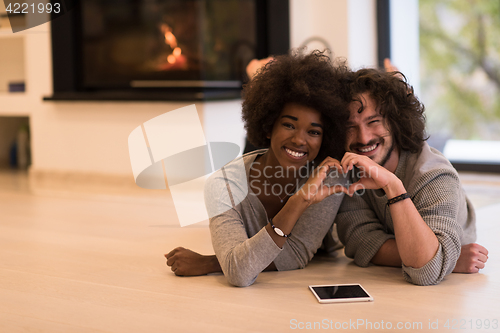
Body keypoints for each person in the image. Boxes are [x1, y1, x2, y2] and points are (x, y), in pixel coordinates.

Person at [166, 51, 352, 286]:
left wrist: (215, 262)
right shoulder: (223, 186)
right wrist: (299, 201)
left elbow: (294, 255)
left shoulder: (329, 177)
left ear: (325, 139)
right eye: (288, 125)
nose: (299, 140)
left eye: (314, 132)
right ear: (267, 126)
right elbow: (240, 274)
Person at [335, 67, 489, 286]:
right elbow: (359, 242)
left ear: (395, 121)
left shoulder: (434, 174)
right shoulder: (349, 169)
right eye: (351, 126)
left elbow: (425, 272)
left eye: (374, 122)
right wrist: (443, 258)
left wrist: (392, 185)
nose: (363, 137)